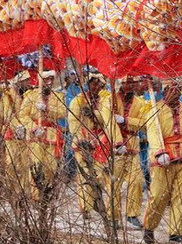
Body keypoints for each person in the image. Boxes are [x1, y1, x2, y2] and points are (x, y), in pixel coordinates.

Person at [142, 79, 182, 244]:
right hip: (163, 159)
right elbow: (153, 133)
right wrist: (160, 152)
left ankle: (176, 232)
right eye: (173, 90)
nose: (177, 93)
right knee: (159, 196)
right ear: (165, 91)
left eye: (179, 89)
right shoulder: (155, 109)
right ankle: (149, 226)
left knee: (181, 197)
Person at [101, 76, 146, 229]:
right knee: (114, 184)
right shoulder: (109, 100)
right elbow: (108, 122)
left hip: (132, 147)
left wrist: (126, 121)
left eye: (134, 82)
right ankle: (113, 216)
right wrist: (117, 141)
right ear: (121, 83)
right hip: (115, 149)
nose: (132, 85)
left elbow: (143, 123)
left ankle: (132, 214)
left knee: (137, 180)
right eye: (129, 82)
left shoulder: (140, 103)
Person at [69, 72, 108, 218]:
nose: (97, 87)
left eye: (100, 85)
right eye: (94, 83)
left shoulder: (105, 101)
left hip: (99, 141)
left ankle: (95, 200)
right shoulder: (77, 101)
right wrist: (81, 140)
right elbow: (73, 122)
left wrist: (94, 114)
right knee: (85, 174)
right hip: (82, 141)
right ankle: (85, 207)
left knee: (99, 174)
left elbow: (106, 119)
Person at [20, 70, 67, 189]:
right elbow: (23, 115)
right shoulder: (31, 96)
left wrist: (48, 109)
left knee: (51, 166)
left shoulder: (58, 96)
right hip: (36, 135)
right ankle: (36, 194)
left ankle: (48, 190)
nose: (49, 82)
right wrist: (34, 128)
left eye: (51, 79)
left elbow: (62, 112)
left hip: (51, 134)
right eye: (46, 79)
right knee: (36, 165)